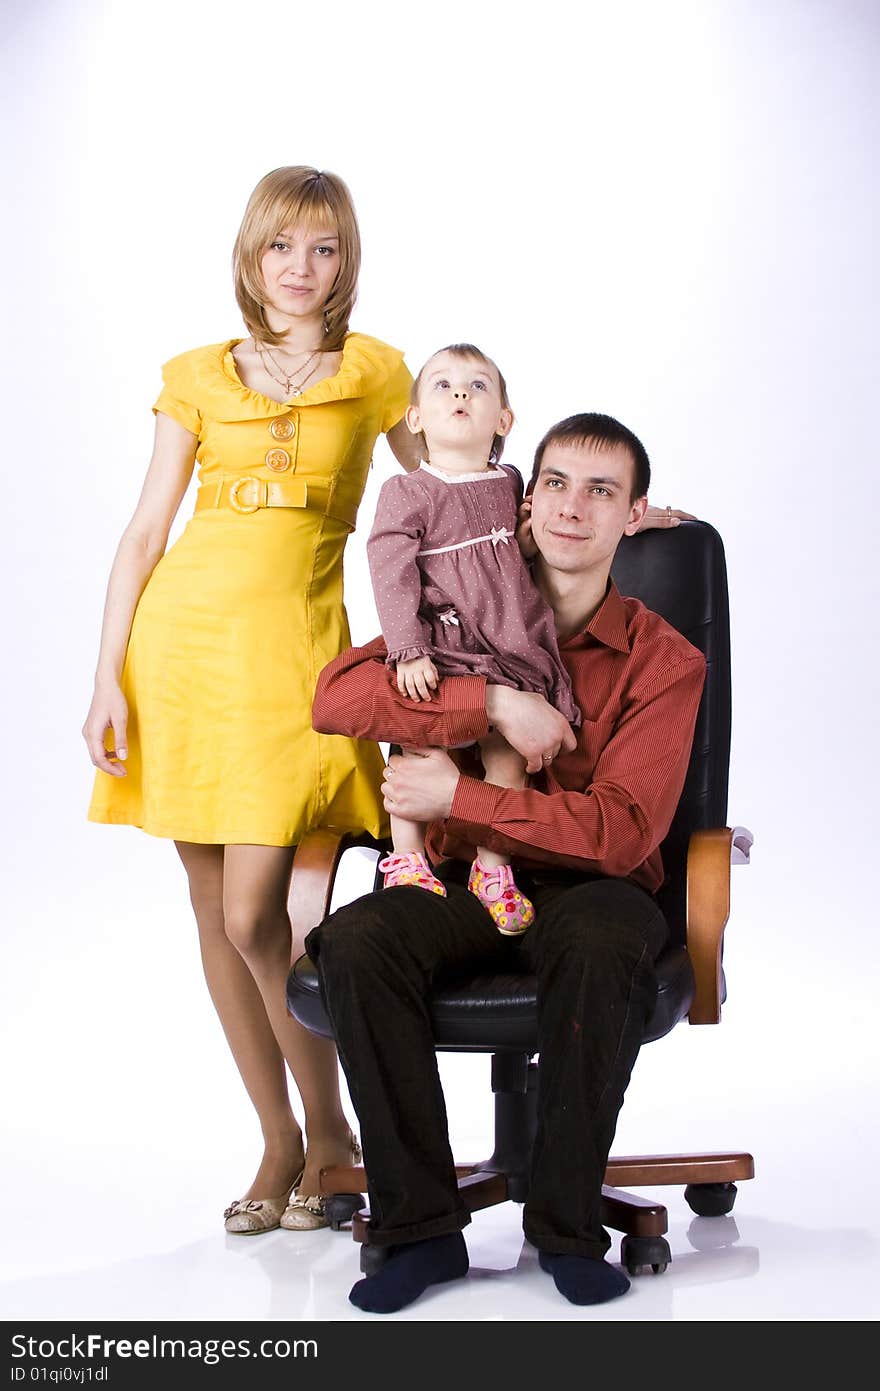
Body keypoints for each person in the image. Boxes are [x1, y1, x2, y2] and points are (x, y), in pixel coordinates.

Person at [83, 165, 423, 1235]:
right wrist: (105, 676)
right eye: (281, 245)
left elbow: (442, 492)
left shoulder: (374, 372)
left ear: (344, 264)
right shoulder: (195, 373)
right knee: (210, 912)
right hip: (179, 657)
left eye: (322, 249)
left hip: (294, 664)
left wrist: (593, 505)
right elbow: (145, 530)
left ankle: (330, 1129)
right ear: (250, 255)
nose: (300, 268)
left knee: (258, 912)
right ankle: (283, 1135)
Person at [306, 411, 707, 1311]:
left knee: (604, 939)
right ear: (525, 503)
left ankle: (567, 1230)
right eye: (557, 484)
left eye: (602, 491)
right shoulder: (460, 612)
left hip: (592, 889)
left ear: (632, 515)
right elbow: (337, 696)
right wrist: (488, 699)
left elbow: (621, 831)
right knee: (359, 941)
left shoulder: (664, 659)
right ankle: (419, 1232)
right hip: (463, 889)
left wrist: (463, 800)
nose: (574, 507)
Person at [366, 344, 581, 936]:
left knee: (506, 758)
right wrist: (407, 646)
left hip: (508, 639)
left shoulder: (508, 481)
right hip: (444, 643)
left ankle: (493, 868)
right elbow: (390, 570)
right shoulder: (408, 491)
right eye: (442, 385)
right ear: (415, 419)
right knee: (415, 738)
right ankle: (406, 857)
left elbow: (520, 543)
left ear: (503, 422)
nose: (460, 394)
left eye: (477, 386)